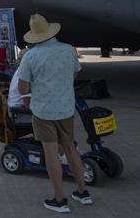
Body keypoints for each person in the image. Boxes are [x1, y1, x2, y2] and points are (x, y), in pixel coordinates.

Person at [17, 14, 91, 213]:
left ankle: (60, 199)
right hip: (66, 108)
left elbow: (22, 89)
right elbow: (74, 74)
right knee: (70, 148)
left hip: (43, 111)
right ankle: (83, 192)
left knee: (51, 152)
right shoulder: (68, 50)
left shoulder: (30, 56)